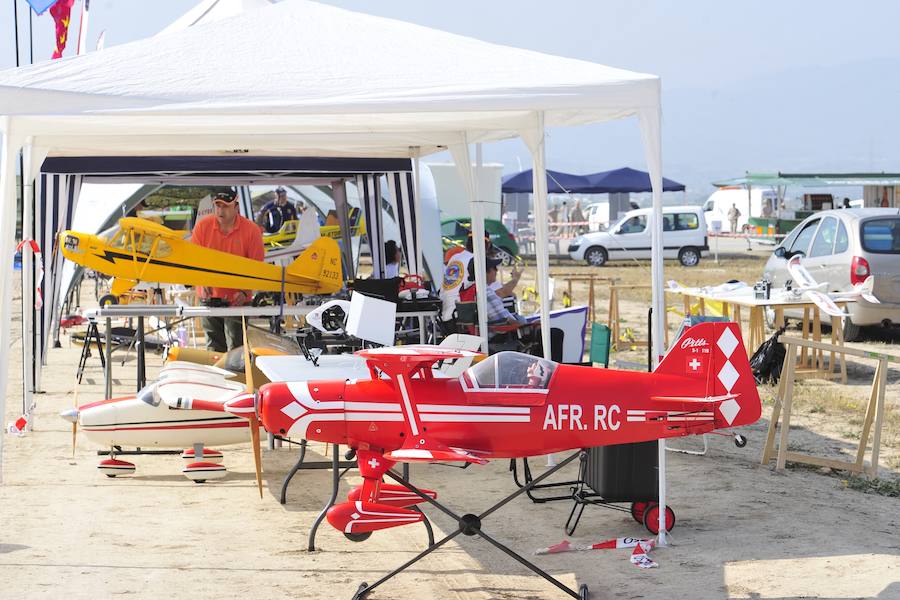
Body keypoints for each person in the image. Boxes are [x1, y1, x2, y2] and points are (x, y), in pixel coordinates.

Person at [192, 186, 265, 352]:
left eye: (225, 206)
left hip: (238, 298)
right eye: (217, 205)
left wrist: (246, 291)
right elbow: (194, 260)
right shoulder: (202, 227)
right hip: (208, 297)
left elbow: (256, 266)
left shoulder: (251, 230)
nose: (220, 210)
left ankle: (237, 377)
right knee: (214, 349)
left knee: (237, 348)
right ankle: (216, 378)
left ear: (236, 207)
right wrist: (202, 282)